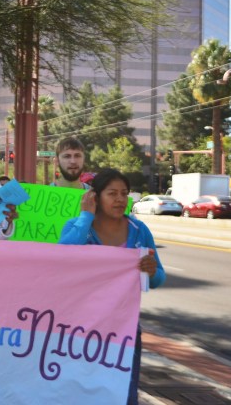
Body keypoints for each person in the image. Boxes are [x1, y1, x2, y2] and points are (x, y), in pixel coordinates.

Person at [59, 168, 165, 404]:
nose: (119, 199)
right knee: (78, 389)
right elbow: (62, 259)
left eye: (124, 193)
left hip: (124, 328)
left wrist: (151, 271)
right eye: (112, 193)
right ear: (95, 196)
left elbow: (158, 278)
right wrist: (85, 217)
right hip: (80, 328)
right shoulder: (77, 226)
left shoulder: (139, 231)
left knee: (123, 392)